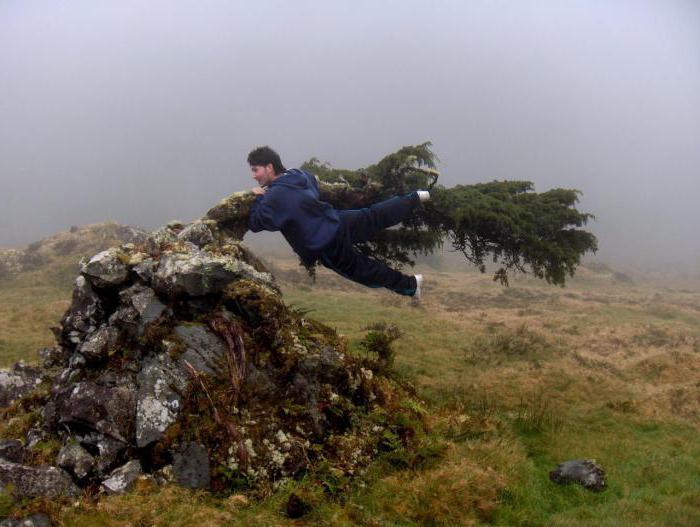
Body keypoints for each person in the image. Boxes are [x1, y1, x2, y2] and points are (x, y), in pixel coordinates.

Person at [246, 146, 429, 299]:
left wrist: (258, 198)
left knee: (364, 271)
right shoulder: (297, 175)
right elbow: (312, 183)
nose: (254, 175)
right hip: (336, 219)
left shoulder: (272, 197)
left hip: (324, 245)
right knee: (373, 216)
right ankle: (415, 198)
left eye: (256, 169)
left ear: (269, 167)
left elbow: (255, 223)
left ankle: (411, 286)